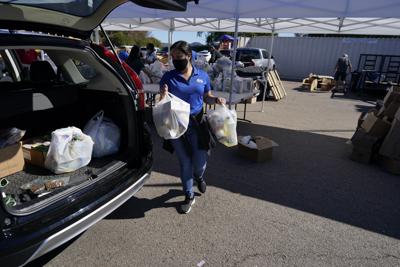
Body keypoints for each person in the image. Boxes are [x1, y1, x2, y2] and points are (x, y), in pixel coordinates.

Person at [159, 40, 226, 214]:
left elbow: (207, 97)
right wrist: (164, 96)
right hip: (175, 125)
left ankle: (199, 176)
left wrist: (216, 99)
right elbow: (162, 103)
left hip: (197, 123)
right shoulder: (168, 77)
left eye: (179, 57)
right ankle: (189, 195)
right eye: (173, 57)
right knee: (184, 161)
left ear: (189, 56)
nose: (175, 60)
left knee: (199, 162)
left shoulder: (202, 76)